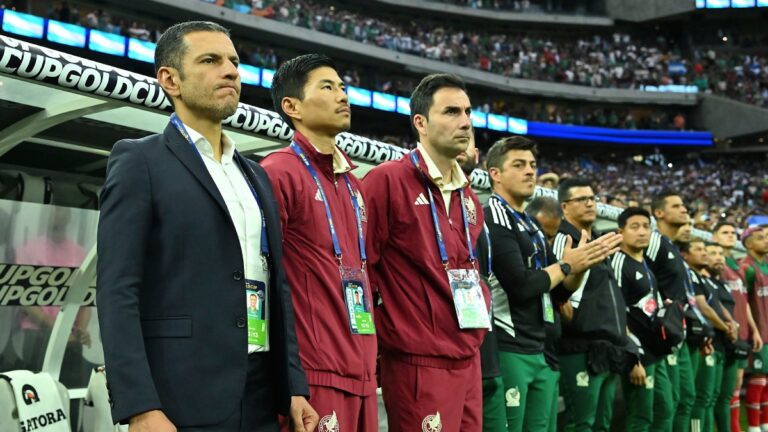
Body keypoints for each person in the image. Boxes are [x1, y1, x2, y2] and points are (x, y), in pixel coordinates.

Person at [97, 21, 316, 432]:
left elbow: (276, 286)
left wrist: (294, 385)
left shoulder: (256, 175)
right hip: (180, 396)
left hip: (260, 393)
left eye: (234, 61)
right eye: (211, 60)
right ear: (170, 80)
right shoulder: (138, 161)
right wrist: (139, 405)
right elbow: (117, 291)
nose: (231, 70)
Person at [363, 73, 489, 432]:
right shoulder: (386, 181)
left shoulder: (469, 198)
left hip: (468, 353)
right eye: (451, 111)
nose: (465, 121)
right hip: (418, 360)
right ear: (420, 122)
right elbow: (363, 270)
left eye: (467, 112)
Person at [262, 53, 377, 431]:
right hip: (314, 372)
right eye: (328, 87)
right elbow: (264, 279)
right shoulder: (279, 171)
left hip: (360, 368)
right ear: (291, 106)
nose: (343, 96)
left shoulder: (353, 183)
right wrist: (287, 377)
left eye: (343, 87)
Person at [484, 137, 620, 432]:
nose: (530, 171)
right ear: (495, 173)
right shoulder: (492, 217)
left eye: (532, 165)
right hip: (510, 346)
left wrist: (580, 267)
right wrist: (567, 264)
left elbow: (558, 291)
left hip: (540, 348)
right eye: (518, 165)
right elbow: (520, 286)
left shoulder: (530, 224)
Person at [553, 178, 629, 432]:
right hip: (579, 347)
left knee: (601, 424)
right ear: (564, 207)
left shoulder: (598, 240)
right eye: (581, 199)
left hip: (607, 347)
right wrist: (563, 308)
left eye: (592, 198)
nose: (589, 203)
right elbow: (556, 284)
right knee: (581, 423)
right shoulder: (564, 238)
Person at [458, 131, 506, 432]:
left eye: (469, 140)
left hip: (484, 344)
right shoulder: (414, 193)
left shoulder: (475, 205)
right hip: (442, 348)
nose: (463, 143)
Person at [611, 207, 674, 432]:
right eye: (634, 227)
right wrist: (633, 355)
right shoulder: (619, 263)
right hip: (639, 354)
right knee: (641, 416)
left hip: (655, 352)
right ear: (621, 232)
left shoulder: (645, 265)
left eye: (646, 227)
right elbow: (618, 312)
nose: (642, 232)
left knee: (665, 409)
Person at [645, 190, 696, 432]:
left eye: (683, 204)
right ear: (659, 213)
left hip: (679, 331)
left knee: (683, 398)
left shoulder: (671, 246)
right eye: (676, 206)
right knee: (666, 404)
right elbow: (645, 281)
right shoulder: (653, 241)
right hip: (662, 332)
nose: (684, 209)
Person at [681, 239, 738, 432]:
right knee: (701, 398)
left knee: (711, 397)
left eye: (705, 250)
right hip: (702, 342)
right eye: (699, 250)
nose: (704, 253)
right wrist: (726, 327)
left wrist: (730, 323)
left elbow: (717, 306)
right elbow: (703, 307)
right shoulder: (689, 276)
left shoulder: (705, 280)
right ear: (685, 255)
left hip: (715, 342)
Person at [713, 222, 763, 432]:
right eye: (725, 232)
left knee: (735, 385)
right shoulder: (717, 264)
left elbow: (746, 303)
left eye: (733, 232)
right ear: (714, 237)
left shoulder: (739, 268)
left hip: (742, 334)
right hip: (724, 335)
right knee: (723, 391)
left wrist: (754, 330)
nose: (730, 236)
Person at [706, 241, 751, 432]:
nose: (718, 257)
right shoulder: (701, 283)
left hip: (729, 345)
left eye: (720, 253)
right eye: (712, 253)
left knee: (725, 397)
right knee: (706, 399)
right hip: (712, 346)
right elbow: (705, 307)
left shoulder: (721, 284)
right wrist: (727, 326)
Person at [740, 227, 768, 432]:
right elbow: (743, 302)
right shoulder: (746, 268)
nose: (766, 241)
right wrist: (754, 330)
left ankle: (765, 423)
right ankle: (753, 426)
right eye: (761, 238)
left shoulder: (766, 265)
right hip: (758, 332)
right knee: (758, 378)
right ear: (748, 244)